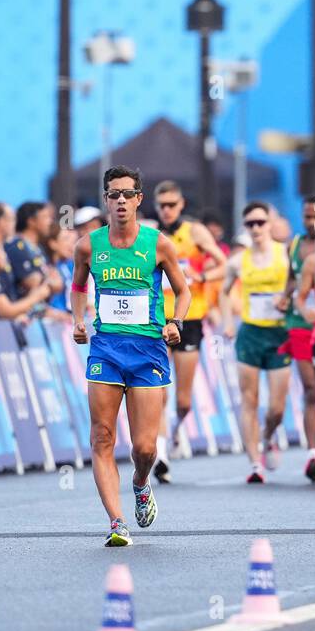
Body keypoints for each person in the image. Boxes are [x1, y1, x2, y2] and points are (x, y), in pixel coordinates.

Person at [71, 166, 190, 546]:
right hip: (106, 348)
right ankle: (117, 522)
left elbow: (183, 292)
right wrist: (78, 319)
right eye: (113, 194)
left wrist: (177, 322)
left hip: (148, 350)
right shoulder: (89, 245)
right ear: (106, 200)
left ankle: (140, 482)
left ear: (139, 199)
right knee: (102, 437)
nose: (120, 200)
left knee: (145, 447)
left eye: (127, 194)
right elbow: (76, 286)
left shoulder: (160, 244)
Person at [150, 180, 228, 480]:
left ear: (181, 205)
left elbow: (224, 265)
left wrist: (201, 275)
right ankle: (161, 454)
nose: (167, 210)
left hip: (188, 320)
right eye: (162, 206)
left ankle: (176, 430)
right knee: (158, 390)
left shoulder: (195, 232)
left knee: (182, 400)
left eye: (172, 205)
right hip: (156, 319)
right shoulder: (150, 234)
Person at [220, 202, 294, 484]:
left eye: (260, 223)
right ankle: (254, 463)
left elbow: (301, 282)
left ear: (270, 224)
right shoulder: (238, 261)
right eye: (250, 224)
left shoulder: (284, 254)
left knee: (276, 407)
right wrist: (228, 322)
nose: (256, 229)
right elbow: (224, 292)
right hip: (250, 333)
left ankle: (268, 435)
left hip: (278, 334)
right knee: (249, 400)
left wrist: (287, 300)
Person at [276, 196, 315, 482]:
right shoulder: (294, 245)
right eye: (307, 217)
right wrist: (285, 298)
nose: (311, 223)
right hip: (300, 322)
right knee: (311, 389)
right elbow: (291, 278)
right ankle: (312, 453)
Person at [6, 202, 62, 305]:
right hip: (22, 314)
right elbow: (32, 282)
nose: (50, 222)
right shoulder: (16, 246)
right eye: (45, 217)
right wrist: (48, 280)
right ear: (31, 221)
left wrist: (45, 280)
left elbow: (58, 284)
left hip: (40, 311)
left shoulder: (38, 248)